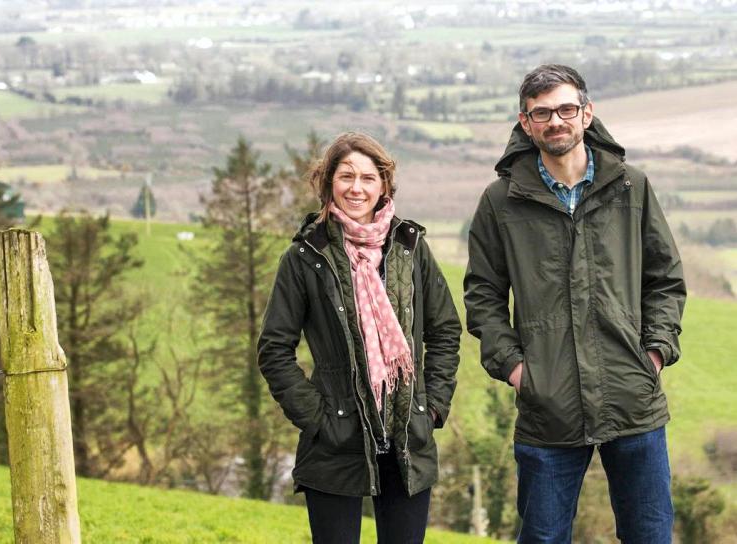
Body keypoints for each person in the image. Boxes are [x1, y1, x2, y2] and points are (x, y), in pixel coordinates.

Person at [463, 64, 686, 543]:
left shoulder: (631, 186)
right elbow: (482, 295)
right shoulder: (500, 201)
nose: (555, 121)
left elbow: (665, 279)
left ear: (586, 113)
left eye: (566, 109)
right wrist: (516, 369)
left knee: (650, 535)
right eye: (542, 113)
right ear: (525, 122)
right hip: (548, 406)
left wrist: (654, 353)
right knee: (543, 537)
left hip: (633, 397)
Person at [258, 132, 461, 544]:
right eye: (346, 176)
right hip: (336, 440)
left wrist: (433, 407)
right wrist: (319, 420)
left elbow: (445, 330)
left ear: (384, 185)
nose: (357, 188)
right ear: (328, 182)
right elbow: (274, 350)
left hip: (407, 435)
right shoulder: (306, 256)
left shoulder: (409, 247)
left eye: (368, 178)